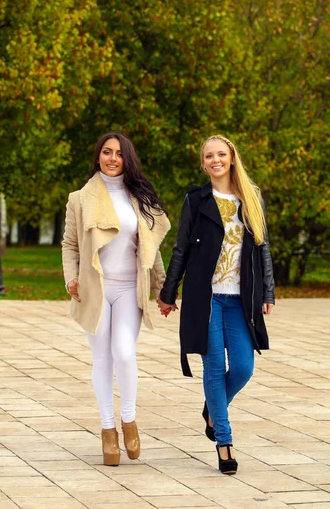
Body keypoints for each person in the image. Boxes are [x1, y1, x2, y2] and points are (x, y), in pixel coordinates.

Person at [157, 135, 275, 475]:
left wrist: (268, 291)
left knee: (242, 368)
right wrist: (168, 293)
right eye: (209, 156)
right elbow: (181, 249)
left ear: (232, 158)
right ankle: (224, 442)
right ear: (203, 162)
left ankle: (212, 410)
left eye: (221, 154)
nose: (215, 160)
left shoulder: (251, 199)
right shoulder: (196, 200)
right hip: (205, 297)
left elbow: (262, 248)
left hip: (241, 299)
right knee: (212, 368)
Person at [62, 132, 170, 466]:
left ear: (127, 159)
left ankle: (128, 419)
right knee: (102, 360)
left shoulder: (139, 197)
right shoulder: (79, 199)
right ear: (97, 157)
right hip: (95, 289)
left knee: (124, 354)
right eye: (106, 152)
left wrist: (161, 289)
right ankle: (108, 430)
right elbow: (70, 245)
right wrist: (71, 278)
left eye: (119, 153)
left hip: (129, 289)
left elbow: (151, 249)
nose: (112, 158)